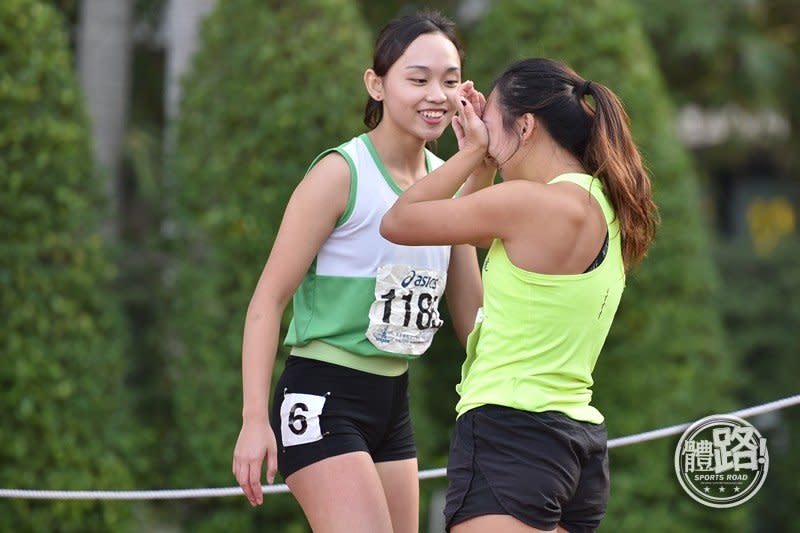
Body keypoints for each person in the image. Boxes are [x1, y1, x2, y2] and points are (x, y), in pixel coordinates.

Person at [381, 58, 658, 533]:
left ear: (525, 126)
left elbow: (400, 221)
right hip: (577, 445)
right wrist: (485, 164)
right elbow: (478, 238)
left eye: (490, 125)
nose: (484, 135)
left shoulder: (531, 202)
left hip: (510, 434)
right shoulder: (603, 204)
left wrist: (470, 154)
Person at [232, 11, 483, 533]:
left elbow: (474, 322)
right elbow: (267, 302)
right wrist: (255, 419)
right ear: (377, 84)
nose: (436, 94)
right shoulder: (340, 173)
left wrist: (480, 166)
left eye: (450, 80)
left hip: (394, 402)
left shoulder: (446, 183)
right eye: (418, 79)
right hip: (322, 395)